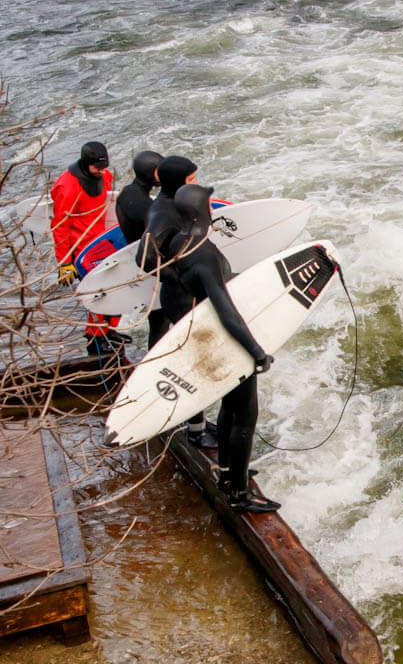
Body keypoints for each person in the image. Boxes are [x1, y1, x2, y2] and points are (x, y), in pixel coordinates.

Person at [161, 184, 277, 513]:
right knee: (245, 413)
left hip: (198, 334)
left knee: (231, 403)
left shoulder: (175, 242)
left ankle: (228, 470)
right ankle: (239, 493)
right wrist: (256, 351)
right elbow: (226, 311)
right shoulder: (204, 252)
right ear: (202, 213)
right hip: (220, 338)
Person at [134, 155, 217, 448]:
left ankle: (201, 420)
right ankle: (195, 428)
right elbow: (144, 258)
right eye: (192, 179)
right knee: (191, 360)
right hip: (180, 297)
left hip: (191, 293)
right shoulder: (162, 212)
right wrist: (180, 276)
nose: (196, 183)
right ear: (177, 182)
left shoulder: (178, 203)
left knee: (200, 355)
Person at [50, 141, 122, 356]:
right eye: (96, 168)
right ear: (85, 163)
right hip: (80, 251)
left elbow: (109, 207)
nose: (101, 172)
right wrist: (64, 263)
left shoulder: (105, 176)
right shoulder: (67, 186)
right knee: (98, 293)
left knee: (116, 287)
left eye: (103, 167)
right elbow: (60, 226)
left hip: (101, 243)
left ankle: (110, 331)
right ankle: (95, 339)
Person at [115, 150, 163, 243]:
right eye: (160, 171)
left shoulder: (126, 190)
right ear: (149, 174)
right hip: (142, 248)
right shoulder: (142, 204)